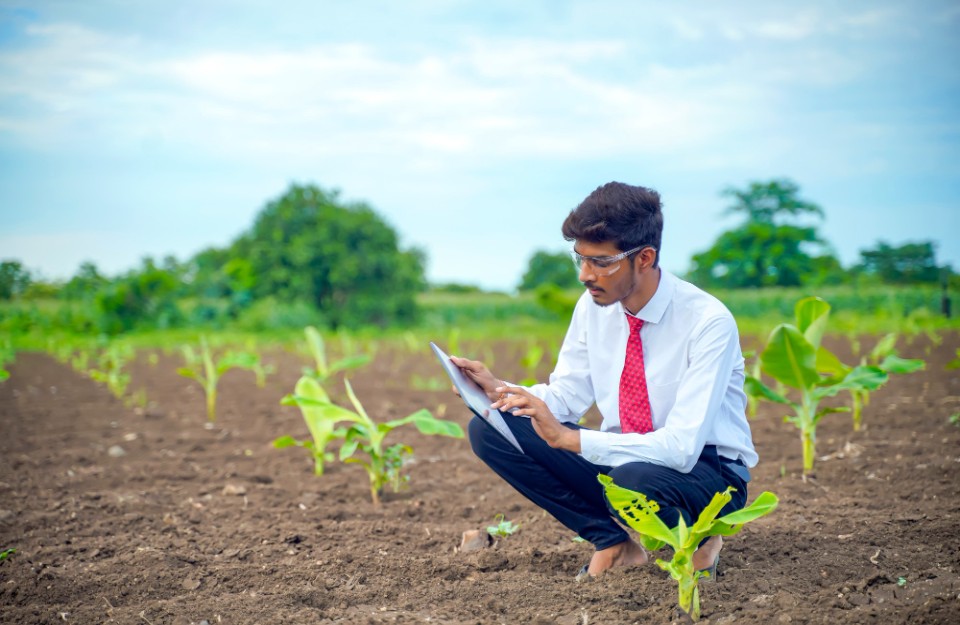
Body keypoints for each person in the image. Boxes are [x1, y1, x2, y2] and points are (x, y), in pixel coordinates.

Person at [451, 182, 757, 581]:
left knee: (630, 477)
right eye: (580, 259)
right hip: (624, 462)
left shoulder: (707, 322)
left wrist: (571, 440)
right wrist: (499, 391)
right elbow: (566, 394)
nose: (584, 275)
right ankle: (613, 543)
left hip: (710, 474)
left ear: (644, 258)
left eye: (600, 262)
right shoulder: (594, 307)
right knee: (491, 426)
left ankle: (705, 537)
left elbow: (682, 448)